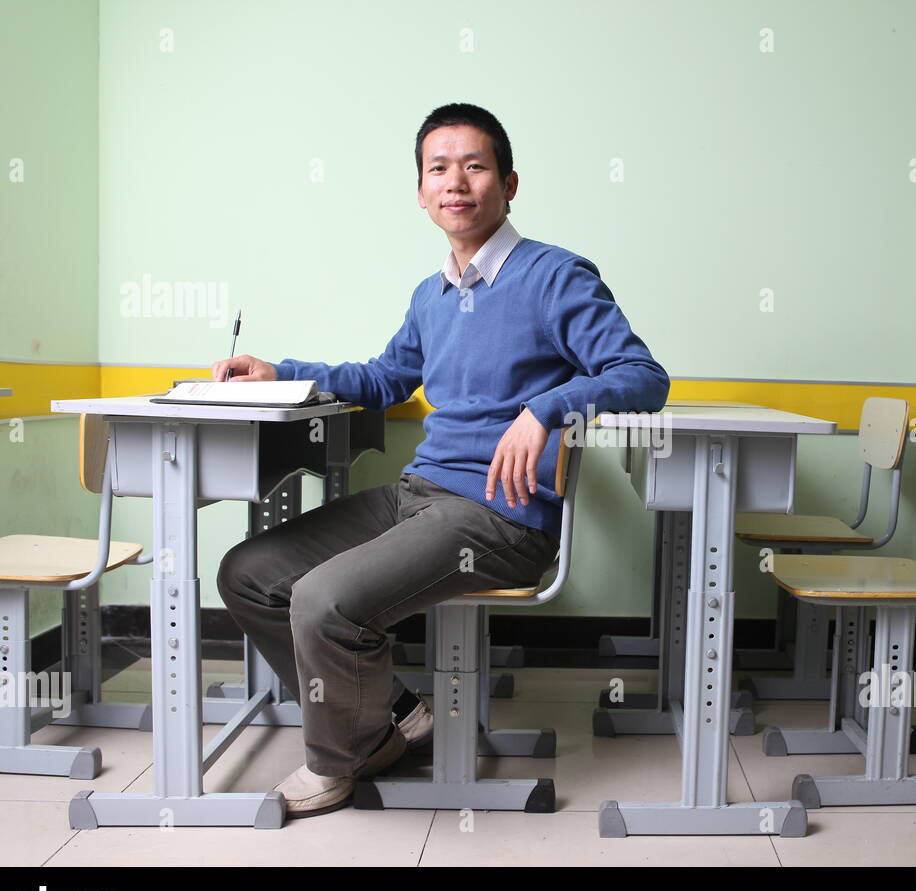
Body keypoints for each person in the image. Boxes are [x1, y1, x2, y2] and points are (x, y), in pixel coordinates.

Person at [212, 103, 669, 818]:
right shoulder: (433, 294)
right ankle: (393, 717)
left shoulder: (554, 275)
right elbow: (386, 378)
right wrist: (282, 372)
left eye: (476, 166)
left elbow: (644, 376)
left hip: (500, 517)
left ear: (509, 184)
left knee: (322, 600)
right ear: (422, 193)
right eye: (438, 168)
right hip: (418, 495)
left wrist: (546, 408)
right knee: (249, 575)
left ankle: (341, 757)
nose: (457, 181)